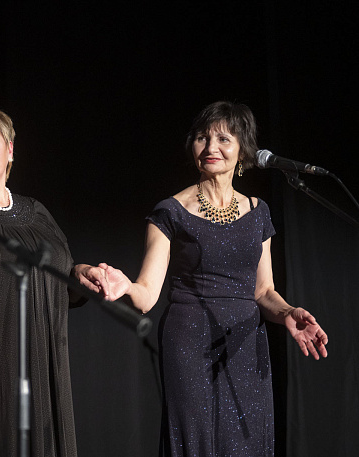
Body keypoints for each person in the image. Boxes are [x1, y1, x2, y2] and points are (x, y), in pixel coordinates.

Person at [104, 101, 329, 456]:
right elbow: (146, 293)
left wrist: (288, 312)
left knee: (247, 441)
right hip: (189, 341)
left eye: (223, 138)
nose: (210, 147)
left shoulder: (258, 212)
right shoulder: (170, 211)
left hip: (245, 342)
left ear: (243, 150)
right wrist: (125, 287)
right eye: (201, 138)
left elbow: (263, 291)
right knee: (197, 441)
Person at [0, 103, 126, 457]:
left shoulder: (37, 211)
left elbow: (56, 280)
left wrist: (81, 274)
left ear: (10, 150)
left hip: (42, 372)